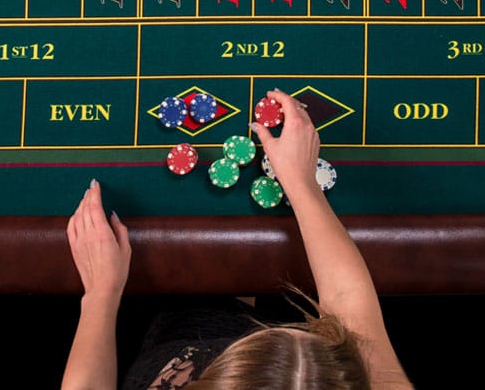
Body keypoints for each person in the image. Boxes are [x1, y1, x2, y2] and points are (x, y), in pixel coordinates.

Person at [62, 90, 412, 388]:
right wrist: (301, 181)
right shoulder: (365, 376)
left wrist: (99, 295)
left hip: (181, 339)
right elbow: (348, 305)